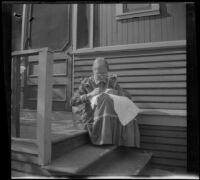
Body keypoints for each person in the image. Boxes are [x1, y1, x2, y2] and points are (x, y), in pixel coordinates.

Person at [71, 57, 140, 147]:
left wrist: (117, 92)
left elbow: (129, 97)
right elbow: (72, 101)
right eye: (98, 73)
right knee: (104, 99)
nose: (101, 76)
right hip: (90, 117)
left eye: (104, 73)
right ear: (93, 71)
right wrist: (89, 95)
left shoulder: (112, 82)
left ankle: (122, 141)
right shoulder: (85, 84)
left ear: (107, 72)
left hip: (111, 119)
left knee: (126, 106)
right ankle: (103, 138)